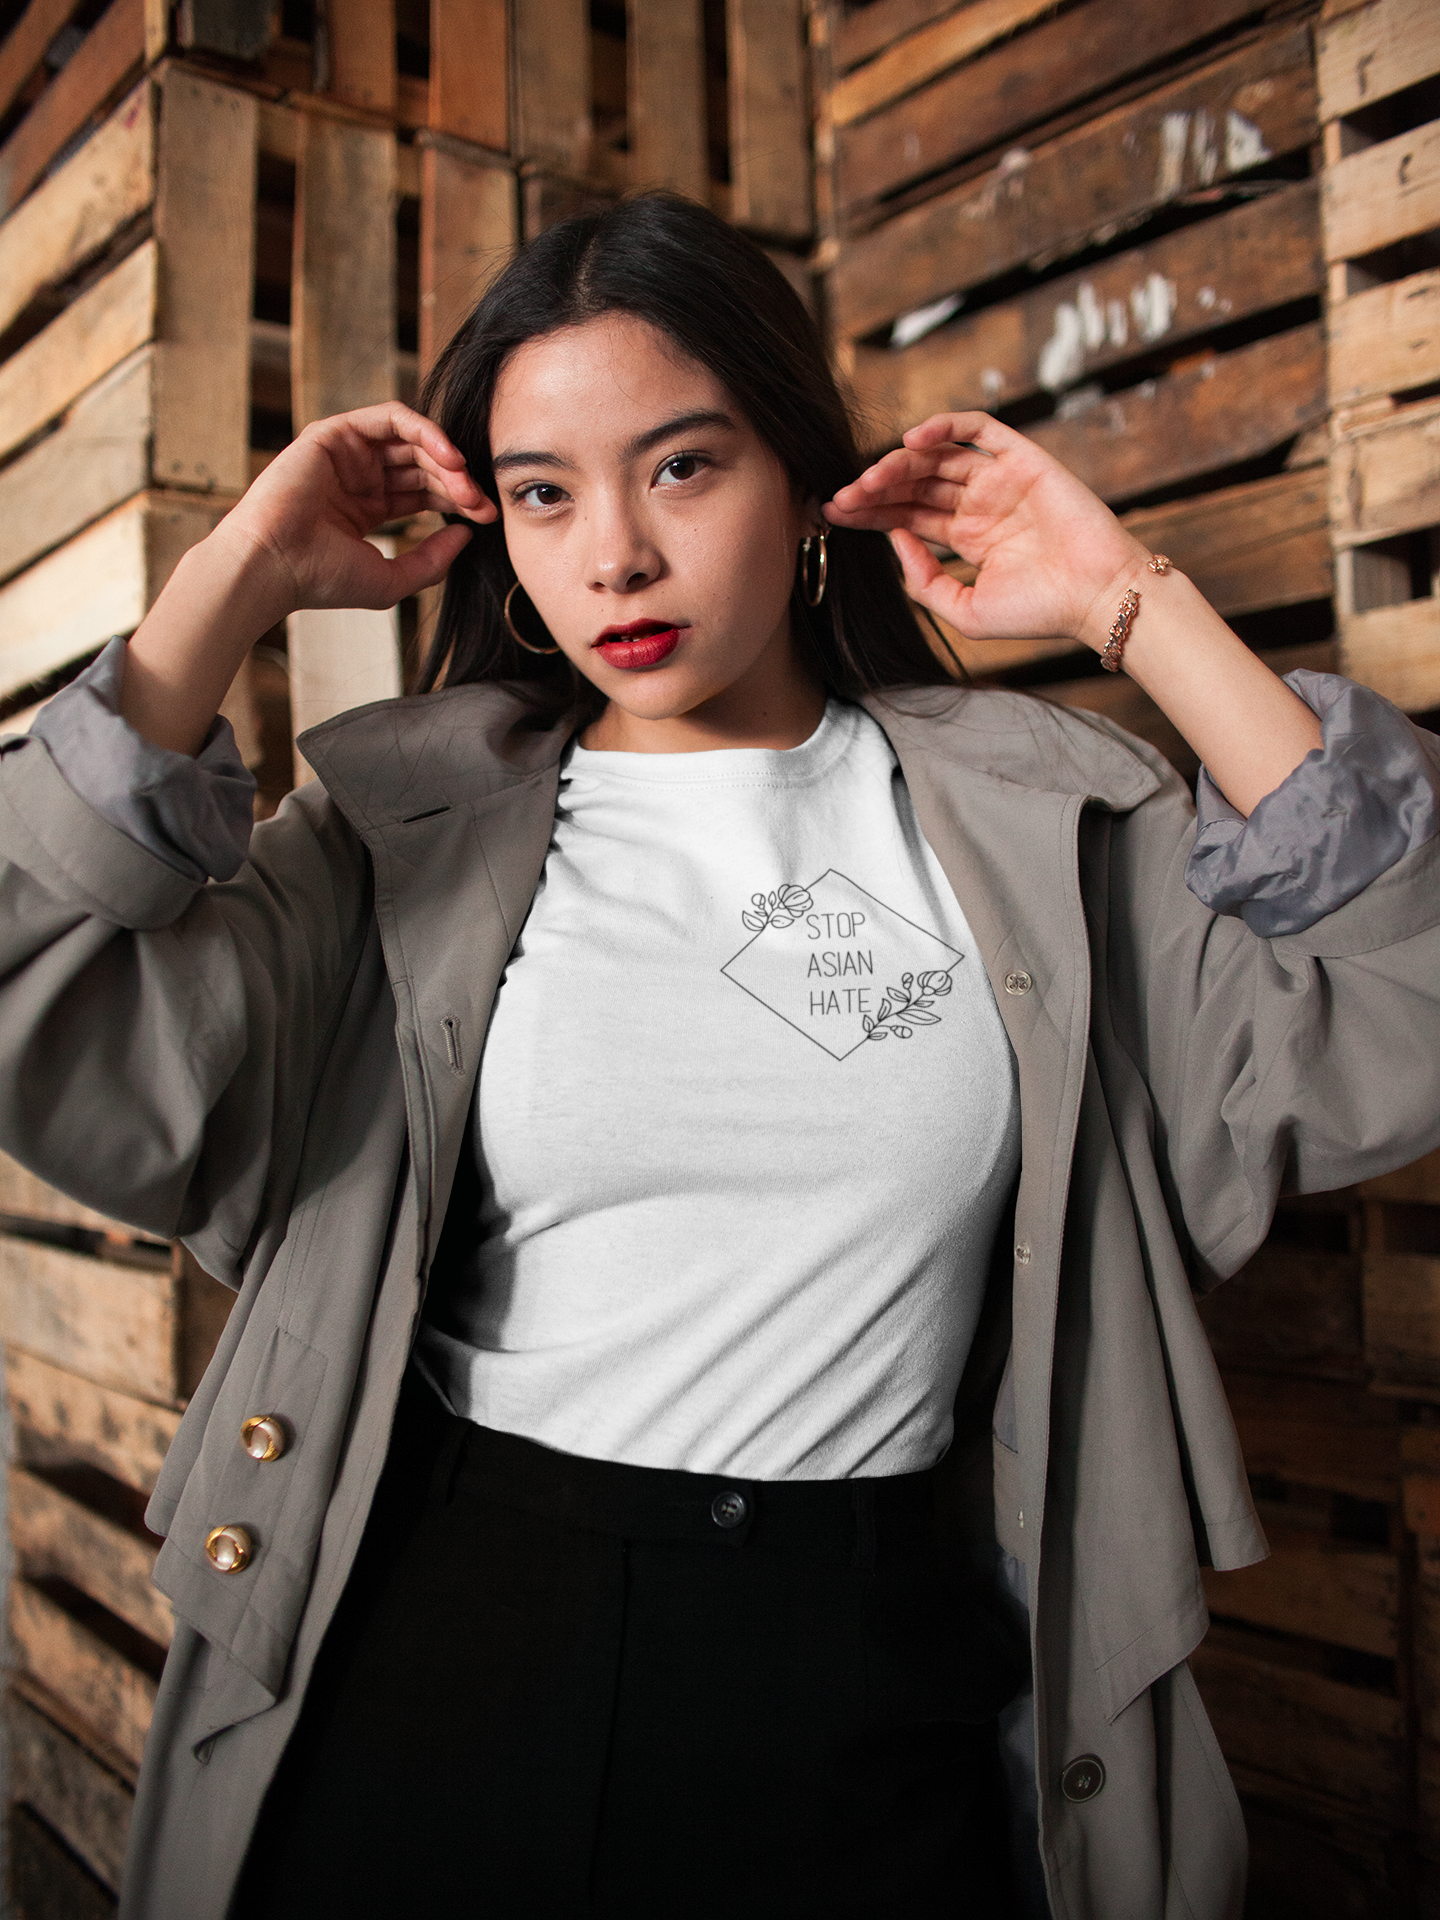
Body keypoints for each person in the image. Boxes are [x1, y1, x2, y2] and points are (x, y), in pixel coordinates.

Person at [0, 191, 1436, 1920]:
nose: (612, 552)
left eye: (682, 466)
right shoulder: (398, 840)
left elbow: (1402, 976)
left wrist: (1130, 598)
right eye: (543, 491)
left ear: (804, 477)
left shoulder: (1040, 831)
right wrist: (227, 577)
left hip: (875, 1676)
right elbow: (42, 982)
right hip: (458, 1636)